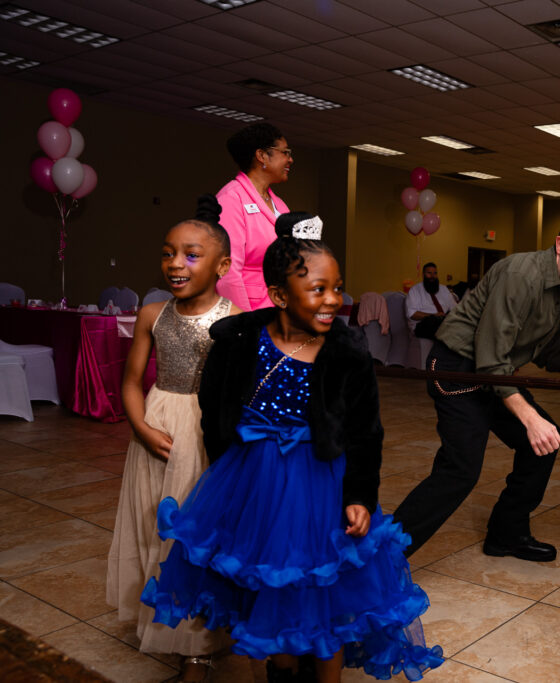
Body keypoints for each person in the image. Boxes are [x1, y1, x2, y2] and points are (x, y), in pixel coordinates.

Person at [141, 212, 443, 682]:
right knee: (270, 587)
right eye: (318, 290)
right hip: (253, 480)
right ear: (280, 295)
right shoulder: (239, 342)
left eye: (337, 288)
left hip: (321, 481)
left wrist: (360, 495)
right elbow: (214, 408)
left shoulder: (347, 352)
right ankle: (282, 670)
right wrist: (231, 475)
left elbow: (367, 432)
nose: (333, 301)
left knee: (321, 589)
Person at [393, 217, 560, 562]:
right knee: (460, 470)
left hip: (493, 373)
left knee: (544, 446)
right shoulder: (521, 276)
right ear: (559, 245)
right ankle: (382, 559)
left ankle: (506, 534)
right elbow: (491, 358)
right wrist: (530, 418)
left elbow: (550, 351)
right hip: (457, 370)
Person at [106, 196, 239, 682]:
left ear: (222, 264)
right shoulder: (152, 314)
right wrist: (140, 426)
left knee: (194, 537)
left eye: (190, 254)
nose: (175, 264)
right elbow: (130, 381)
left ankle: (197, 648)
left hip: (206, 434)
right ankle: (160, 618)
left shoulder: (234, 319)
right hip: (157, 423)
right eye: (167, 253)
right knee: (152, 525)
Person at [216, 122, 292, 311]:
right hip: (249, 312)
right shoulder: (230, 199)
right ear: (262, 156)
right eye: (285, 152)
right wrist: (243, 323)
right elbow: (228, 272)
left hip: (280, 311)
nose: (290, 160)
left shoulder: (281, 206)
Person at [405, 262, 456, 339]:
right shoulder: (414, 290)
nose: (432, 276)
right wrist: (433, 315)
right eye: (429, 273)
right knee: (435, 323)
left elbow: (455, 308)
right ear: (423, 275)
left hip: (443, 321)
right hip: (423, 324)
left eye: (435, 273)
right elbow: (412, 314)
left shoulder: (444, 289)